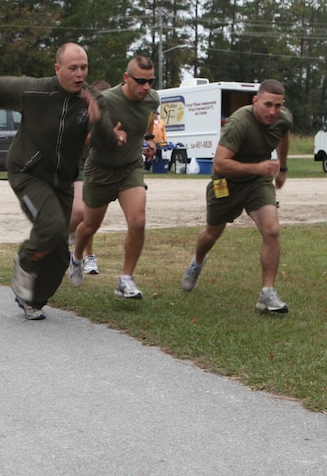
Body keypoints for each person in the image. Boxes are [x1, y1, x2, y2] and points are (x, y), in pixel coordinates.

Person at [0, 42, 112, 320]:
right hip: (28, 172)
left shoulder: (93, 100)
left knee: (58, 254)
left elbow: (106, 146)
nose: (80, 73)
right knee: (52, 226)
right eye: (72, 68)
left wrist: (99, 121)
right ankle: (24, 260)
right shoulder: (34, 90)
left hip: (62, 181)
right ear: (57, 69)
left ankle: (32, 299)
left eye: (84, 67)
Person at [180, 79, 293, 313]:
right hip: (227, 183)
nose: (273, 111)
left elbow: (284, 134)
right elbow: (220, 164)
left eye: (278, 106)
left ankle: (267, 294)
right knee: (212, 233)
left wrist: (281, 167)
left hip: (258, 183)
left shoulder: (283, 117)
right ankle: (197, 262)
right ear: (256, 101)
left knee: (271, 230)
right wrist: (259, 168)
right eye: (268, 105)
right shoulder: (239, 123)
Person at [69, 56, 160, 299]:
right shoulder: (105, 101)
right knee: (89, 225)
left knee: (138, 221)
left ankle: (125, 279)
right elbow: (83, 137)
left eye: (151, 81)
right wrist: (108, 134)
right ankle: (77, 257)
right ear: (126, 78)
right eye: (141, 81)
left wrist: (149, 139)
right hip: (100, 169)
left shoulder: (152, 98)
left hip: (130, 167)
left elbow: (150, 117)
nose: (147, 87)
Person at [67, 79, 110, 276]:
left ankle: (89, 256)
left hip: (96, 166)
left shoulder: (108, 113)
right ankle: (60, 242)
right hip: (77, 166)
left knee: (89, 215)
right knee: (81, 213)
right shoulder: (81, 113)